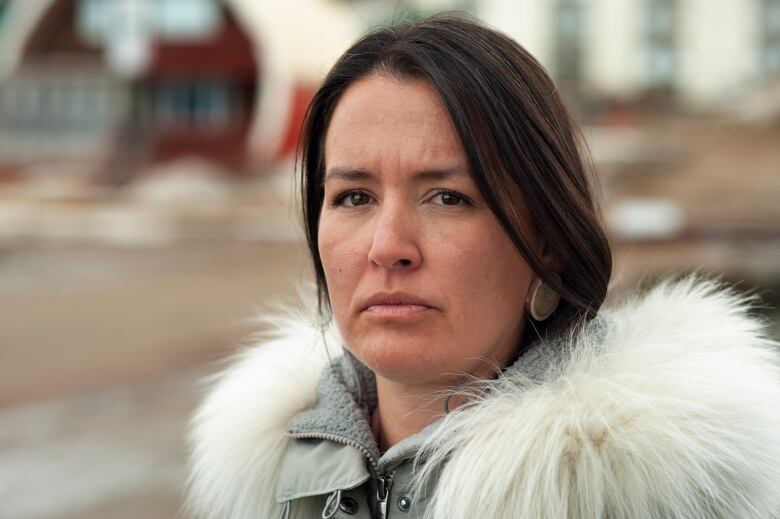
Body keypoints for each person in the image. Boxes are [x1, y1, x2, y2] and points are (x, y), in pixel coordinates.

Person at [186, 14, 780, 519]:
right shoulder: (268, 485)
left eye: (449, 197)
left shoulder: (669, 493)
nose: (387, 245)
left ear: (547, 239)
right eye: (353, 198)